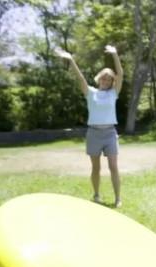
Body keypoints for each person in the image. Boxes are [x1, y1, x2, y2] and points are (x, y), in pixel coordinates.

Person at [56, 45, 124, 208]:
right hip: (93, 133)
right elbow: (80, 78)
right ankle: (96, 195)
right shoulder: (91, 92)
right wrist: (71, 60)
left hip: (109, 133)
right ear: (99, 78)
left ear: (111, 82)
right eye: (103, 78)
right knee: (96, 168)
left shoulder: (113, 93)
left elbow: (121, 74)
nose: (106, 81)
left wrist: (115, 55)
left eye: (109, 79)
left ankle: (117, 198)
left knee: (113, 166)